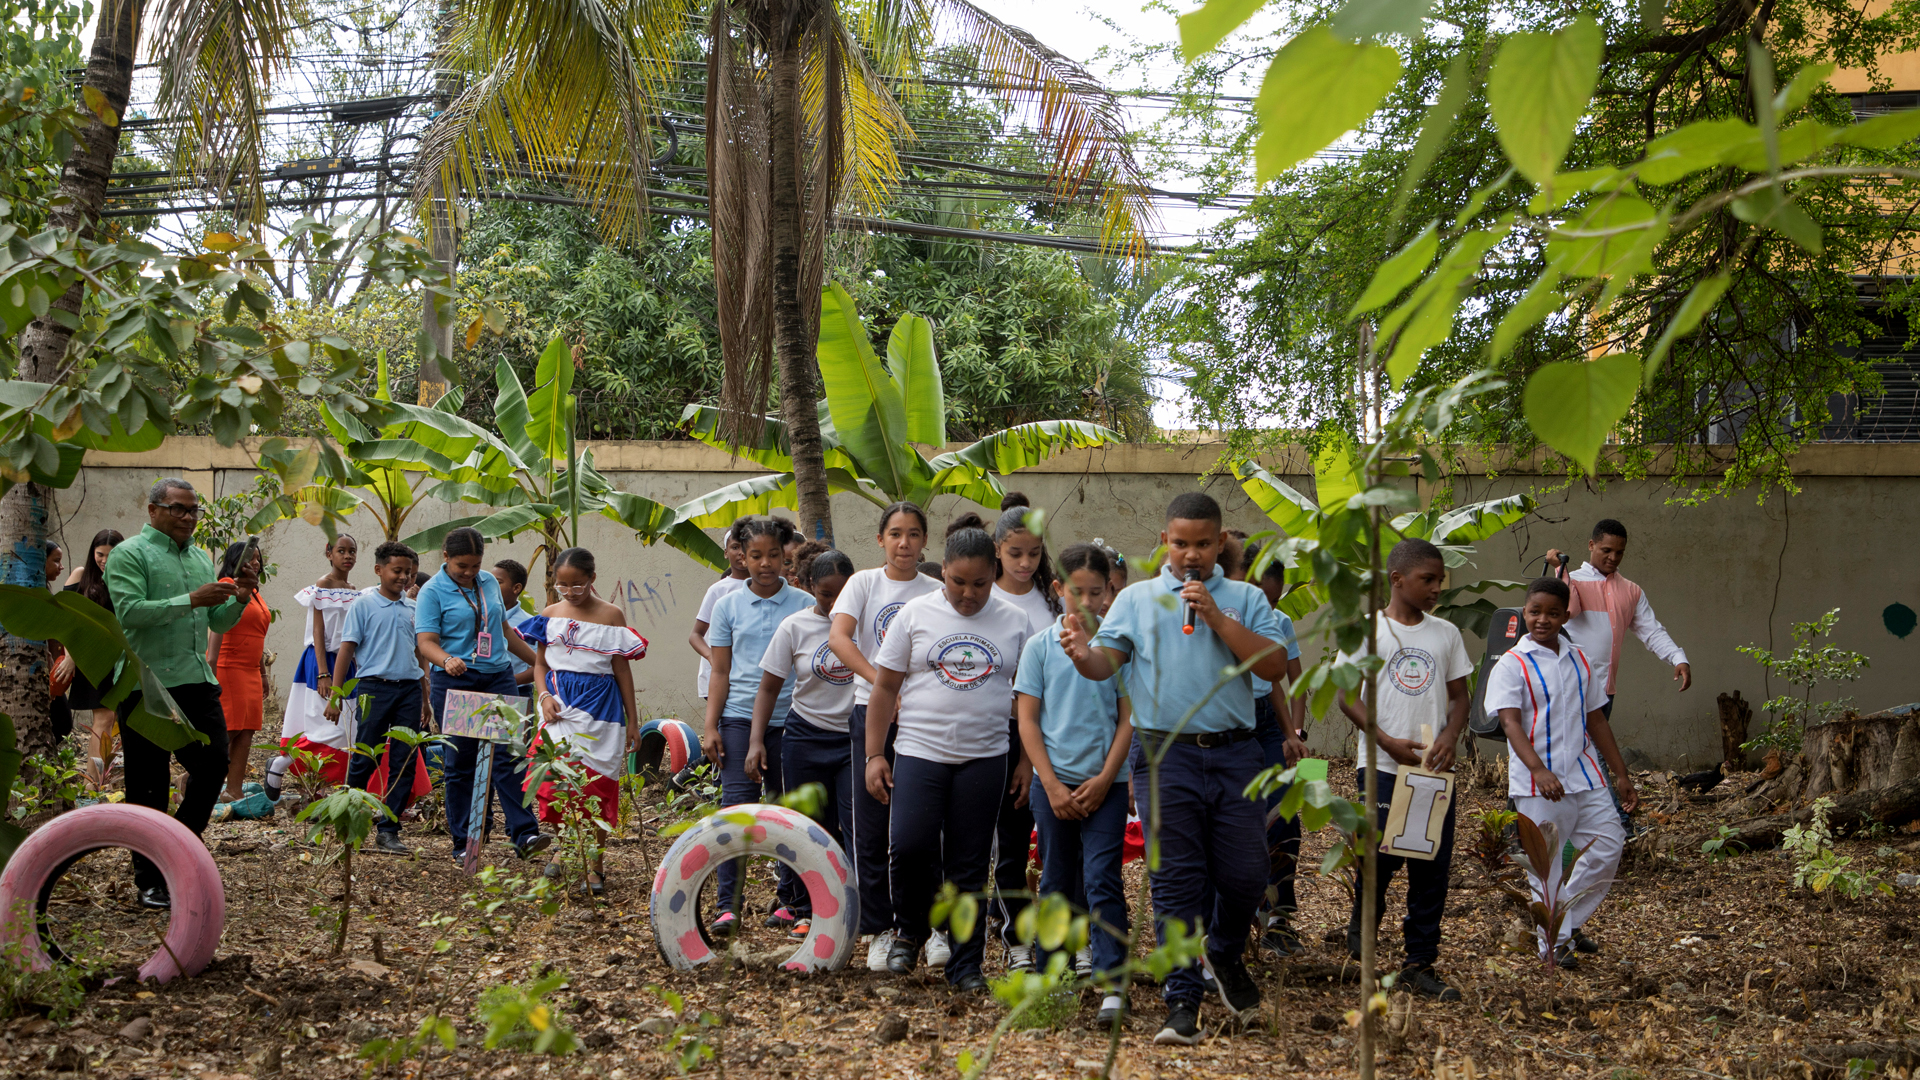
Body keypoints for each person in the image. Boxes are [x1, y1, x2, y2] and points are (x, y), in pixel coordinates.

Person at [1059, 492, 1289, 1044]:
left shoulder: (1245, 598)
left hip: (1236, 753)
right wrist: (1078, 653)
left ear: (1220, 544)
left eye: (1203, 544)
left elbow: (1275, 663)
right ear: (1165, 541)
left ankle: (1224, 952)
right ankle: (1181, 1000)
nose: (1192, 554)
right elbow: (1103, 665)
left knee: (1247, 874)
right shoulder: (1136, 599)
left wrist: (1215, 615)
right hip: (1165, 754)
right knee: (1174, 880)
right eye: (1181, 542)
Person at [866, 526, 1032, 992]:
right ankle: (910, 932)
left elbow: (1030, 698)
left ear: (993, 574)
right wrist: (874, 754)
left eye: (979, 583)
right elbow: (884, 687)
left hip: (986, 758)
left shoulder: (1016, 620)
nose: (968, 593)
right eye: (958, 581)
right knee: (909, 847)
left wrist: (1027, 762)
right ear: (943, 571)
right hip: (919, 752)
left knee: (970, 863)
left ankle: (965, 965)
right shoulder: (916, 615)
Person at [105, 478, 258, 909]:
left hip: (194, 680)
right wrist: (192, 599)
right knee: (148, 783)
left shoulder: (198, 558)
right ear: (153, 509)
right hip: (145, 683)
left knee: (213, 767)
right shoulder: (129, 553)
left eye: (193, 511)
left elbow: (220, 622)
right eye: (179, 509)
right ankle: (149, 879)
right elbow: (130, 613)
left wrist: (241, 596)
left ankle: (176, 849)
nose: (188, 518)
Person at [1334, 538, 1472, 1002]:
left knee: (1430, 865)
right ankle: (1364, 932)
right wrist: (1387, 741)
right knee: (1379, 858)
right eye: (1427, 579)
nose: (1436, 588)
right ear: (1397, 579)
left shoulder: (1445, 634)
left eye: (1439, 581)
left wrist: (1449, 737)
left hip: (1432, 770)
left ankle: (1419, 963)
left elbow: (1460, 696)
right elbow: (1346, 696)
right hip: (1381, 765)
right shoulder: (1366, 631)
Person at [1486, 576, 1636, 968]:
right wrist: (1538, 769)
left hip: (1586, 776)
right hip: (1539, 784)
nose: (1543, 620)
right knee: (1546, 866)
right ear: (1524, 612)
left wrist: (1621, 775)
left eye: (1553, 613)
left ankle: (1563, 924)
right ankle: (1553, 945)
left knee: (1609, 845)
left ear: (1565, 615)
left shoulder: (1580, 657)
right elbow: (1509, 722)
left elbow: (1597, 721)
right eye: (1535, 611)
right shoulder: (1511, 664)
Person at [1016, 543, 1132, 1023]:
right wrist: (1052, 783)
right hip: (1053, 787)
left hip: (1104, 787)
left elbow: (1130, 717)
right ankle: (1053, 976)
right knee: (1057, 880)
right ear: (1058, 589)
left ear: (1109, 593)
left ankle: (1111, 985)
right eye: (1075, 591)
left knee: (1103, 878)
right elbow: (1027, 721)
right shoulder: (1040, 648)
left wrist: (1107, 778)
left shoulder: (1118, 647)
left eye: (1096, 592)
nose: (1085, 602)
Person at [828, 502, 942, 971]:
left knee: (922, 828)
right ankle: (879, 929)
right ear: (880, 539)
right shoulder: (863, 584)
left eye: (914, 534)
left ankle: (934, 928)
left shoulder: (937, 590)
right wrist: (881, 684)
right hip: (869, 712)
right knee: (871, 824)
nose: (904, 543)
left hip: (921, 717)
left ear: (924, 541)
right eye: (895, 533)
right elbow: (839, 639)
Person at [701, 517, 811, 934]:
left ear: (787, 556)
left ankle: (791, 902)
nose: (765, 564)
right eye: (755, 556)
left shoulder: (802, 604)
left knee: (789, 809)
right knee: (735, 810)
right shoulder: (727, 604)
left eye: (774, 556)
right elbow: (720, 671)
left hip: (792, 722)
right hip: (736, 718)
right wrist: (711, 726)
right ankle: (727, 906)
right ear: (740, 557)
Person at [415, 526, 550, 862]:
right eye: (463, 566)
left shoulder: (488, 582)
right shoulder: (432, 592)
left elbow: (503, 630)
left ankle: (524, 834)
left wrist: (540, 665)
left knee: (510, 756)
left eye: (475, 565)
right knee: (460, 763)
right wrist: (447, 660)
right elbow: (425, 642)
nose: (470, 573)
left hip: (497, 677)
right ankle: (464, 844)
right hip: (456, 680)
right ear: (445, 557)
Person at [1547, 519, 1689, 834]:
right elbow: (1566, 612)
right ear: (1591, 545)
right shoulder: (1575, 580)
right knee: (1594, 756)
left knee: (1581, 760)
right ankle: (1619, 823)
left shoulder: (1631, 591)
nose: (1612, 557)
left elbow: (1651, 631)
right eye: (1606, 550)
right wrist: (1561, 572)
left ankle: (1572, 828)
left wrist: (1677, 658)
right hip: (1572, 688)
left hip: (1605, 690)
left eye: (1619, 552)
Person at [523, 547, 647, 893]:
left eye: (577, 585)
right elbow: (540, 664)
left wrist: (632, 721)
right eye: (563, 586)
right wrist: (544, 696)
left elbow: (622, 669)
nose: (571, 592)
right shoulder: (549, 614)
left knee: (596, 785)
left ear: (592, 579)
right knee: (554, 780)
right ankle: (563, 849)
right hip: (558, 706)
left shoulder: (612, 615)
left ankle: (595, 865)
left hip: (602, 712)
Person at [755, 547, 858, 940]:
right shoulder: (794, 627)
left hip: (852, 739)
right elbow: (768, 688)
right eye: (825, 594)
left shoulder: (864, 626)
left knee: (852, 825)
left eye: (841, 594)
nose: (833, 603)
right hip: (804, 736)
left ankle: (849, 905)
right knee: (806, 826)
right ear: (809, 586)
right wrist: (755, 741)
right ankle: (804, 908)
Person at [986, 506, 1060, 972]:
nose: (1025, 563)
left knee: (1055, 845)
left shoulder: (1054, 605)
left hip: (1052, 735)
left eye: (1034, 554)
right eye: (1014, 553)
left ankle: (1066, 940)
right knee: (1008, 844)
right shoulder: (982, 598)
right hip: (999, 735)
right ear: (997, 550)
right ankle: (1016, 939)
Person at [328, 542, 430, 855]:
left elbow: (420, 653)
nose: (404, 577)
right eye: (397, 571)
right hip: (374, 689)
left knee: (404, 761)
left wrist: (425, 698)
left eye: (409, 573)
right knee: (364, 757)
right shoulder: (363, 604)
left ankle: (389, 830)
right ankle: (348, 822)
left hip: (410, 691)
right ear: (379, 570)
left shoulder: (414, 609)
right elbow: (346, 649)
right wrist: (335, 696)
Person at [1242, 543, 1311, 957]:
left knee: (1284, 814)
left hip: (1272, 723)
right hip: (1230, 723)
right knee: (1239, 817)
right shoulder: (1227, 617)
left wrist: (1295, 733)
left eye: (1276, 598)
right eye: (1263, 597)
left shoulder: (1279, 622)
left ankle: (1281, 918)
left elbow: (1292, 682)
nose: (1269, 605)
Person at [278, 535, 363, 787]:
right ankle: (282, 763)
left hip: (346, 663)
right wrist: (323, 673)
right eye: (341, 551)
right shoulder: (323, 584)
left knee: (346, 727)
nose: (348, 556)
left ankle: (323, 786)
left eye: (352, 551)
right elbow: (318, 631)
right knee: (327, 725)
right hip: (322, 660)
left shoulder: (353, 589)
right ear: (329, 554)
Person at [207, 542, 272, 800]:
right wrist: (210, 668)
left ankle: (233, 791)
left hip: (250, 671)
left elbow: (256, 635)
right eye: (250, 558)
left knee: (246, 731)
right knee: (228, 731)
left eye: (258, 559)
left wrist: (263, 673)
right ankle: (192, 778)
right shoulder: (228, 584)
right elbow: (217, 625)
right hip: (228, 667)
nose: (256, 563)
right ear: (237, 560)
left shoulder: (254, 591)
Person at [59, 529, 123, 780]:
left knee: (109, 720)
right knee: (104, 718)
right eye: (100, 554)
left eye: (111, 554)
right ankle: (92, 782)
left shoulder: (126, 578)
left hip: (117, 658)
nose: (105, 560)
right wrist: (70, 656)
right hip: (89, 656)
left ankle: (98, 779)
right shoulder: (81, 576)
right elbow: (66, 620)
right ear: (92, 553)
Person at [690, 533, 749, 707]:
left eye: (746, 547)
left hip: (750, 679)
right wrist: (712, 657)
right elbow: (695, 635)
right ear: (725, 553)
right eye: (735, 547)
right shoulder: (717, 590)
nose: (741, 553)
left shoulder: (766, 587)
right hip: (719, 679)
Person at [492, 559, 536, 697]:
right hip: (481, 690)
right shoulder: (481, 617)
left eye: (498, 582)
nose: (490, 587)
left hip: (517, 692)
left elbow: (540, 664)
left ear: (516, 588)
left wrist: (508, 682)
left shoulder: (530, 623)